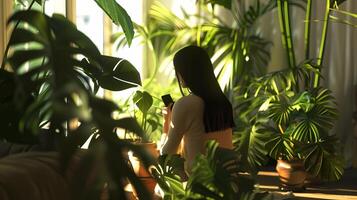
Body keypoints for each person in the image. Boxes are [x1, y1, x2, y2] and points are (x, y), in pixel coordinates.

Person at [161, 45, 235, 174]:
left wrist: (167, 121)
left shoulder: (186, 104)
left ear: (186, 71)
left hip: (201, 186)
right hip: (228, 183)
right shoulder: (222, 101)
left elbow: (167, 154)